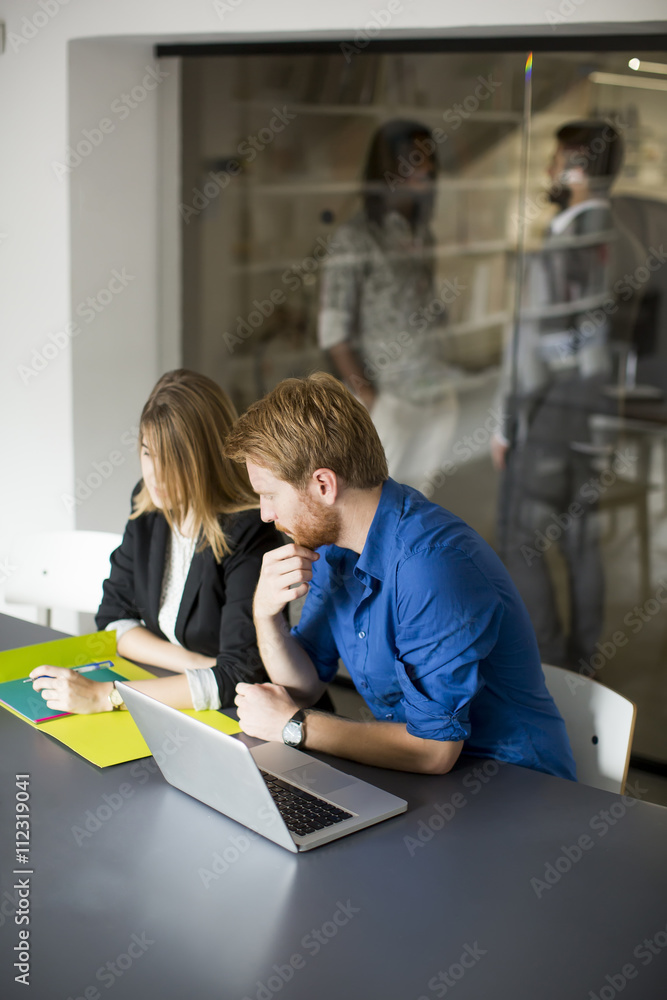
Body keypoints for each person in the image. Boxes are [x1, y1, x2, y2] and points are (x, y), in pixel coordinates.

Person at [224, 372, 576, 780]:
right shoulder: (335, 546)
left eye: (270, 495)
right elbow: (305, 687)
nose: (266, 514)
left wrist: (293, 726)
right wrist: (265, 614)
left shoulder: (431, 565)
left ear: (323, 484)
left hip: (515, 788)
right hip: (422, 778)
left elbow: (433, 751)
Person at [29, 369, 282, 714]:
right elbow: (114, 618)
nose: (155, 474)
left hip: (239, 717)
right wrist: (199, 665)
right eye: (149, 453)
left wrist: (109, 696)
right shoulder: (149, 504)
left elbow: (240, 677)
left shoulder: (250, 530)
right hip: (176, 692)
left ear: (206, 458)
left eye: (173, 458)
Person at [492, 120, 644, 670]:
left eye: (558, 160)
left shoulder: (567, 243)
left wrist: (507, 425)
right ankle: (584, 662)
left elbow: (536, 349)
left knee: (517, 539)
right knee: (581, 541)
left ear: (578, 167)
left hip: (552, 415)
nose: (551, 171)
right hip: (600, 414)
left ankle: (551, 666)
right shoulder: (626, 241)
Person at [318, 118, 458, 489]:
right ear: (389, 167)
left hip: (434, 395)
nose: (425, 169)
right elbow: (334, 334)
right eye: (413, 159)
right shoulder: (356, 237)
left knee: (418, 508)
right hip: (390, 402)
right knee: (375, 509)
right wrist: (371, 401)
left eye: (429, 159)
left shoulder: (422, 233)